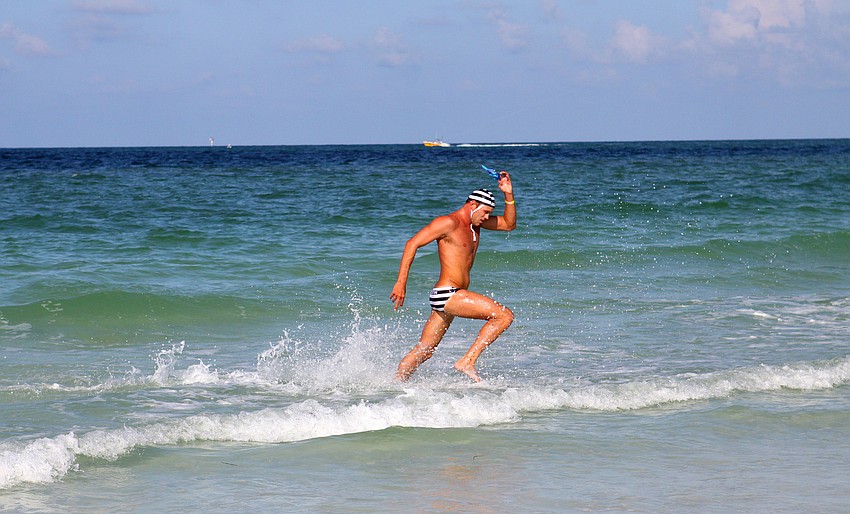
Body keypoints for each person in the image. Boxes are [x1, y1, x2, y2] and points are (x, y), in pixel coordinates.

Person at [390, 172, 516, 382]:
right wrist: (401, 283)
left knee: (425, 351)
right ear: (472, 204)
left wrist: (508, 195)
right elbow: (412, 243)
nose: (486, 218)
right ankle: (467, 361)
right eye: (485, 212)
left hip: (451, 296)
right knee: (504, 316)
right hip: (447, 294)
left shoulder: (475, 225)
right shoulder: (448, 222)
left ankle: (395, 386)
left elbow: (509, 224)